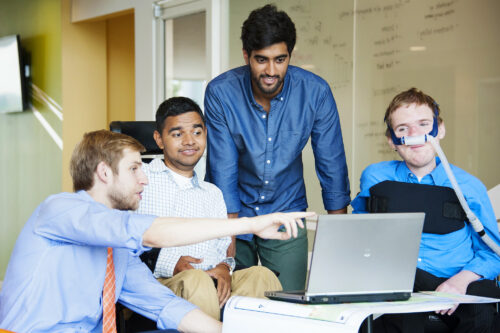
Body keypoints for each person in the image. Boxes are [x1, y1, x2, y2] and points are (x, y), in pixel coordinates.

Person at [0, 129, 312, 333]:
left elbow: (167, 306)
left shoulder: (119, 252)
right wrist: (250, 224)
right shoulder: (59, 210)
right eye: (135, 168)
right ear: (104, 173)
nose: (145, 179)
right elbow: (149, 232)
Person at [204, 4, 350, 290]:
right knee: (232, 304)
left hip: (287, 211)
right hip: (234, 213)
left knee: (289, 305)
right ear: (246, 56)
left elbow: (331, 163)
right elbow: (223, 169)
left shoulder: (315, 92)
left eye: (280, 60)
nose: (271, 71)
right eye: (261, 60)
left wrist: (339, 238)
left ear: (290, 56)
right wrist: (227, 245)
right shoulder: (221, 93)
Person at [351, 88, 500, 332]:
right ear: (391, 140)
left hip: (457, 287)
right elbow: (358, 234)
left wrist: (459, 282)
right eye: (402, 129)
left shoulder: (468, 187)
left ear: (439, 129)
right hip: (401, 285)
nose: (414, 135)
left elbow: (493, 253)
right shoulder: (376, 178)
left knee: (482, 317)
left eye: (423, 124)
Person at [138, 97, 282, 320]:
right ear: (159, 139)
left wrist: (225, 267)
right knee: (197, 281)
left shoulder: (213, 193)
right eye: (177, 134)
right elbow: (126, 238)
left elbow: (223, 247)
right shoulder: (140, 180)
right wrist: (170, 263)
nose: (189, 141)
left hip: (212, 279)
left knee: (261, 276)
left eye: (197, 132)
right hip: (161, 282)